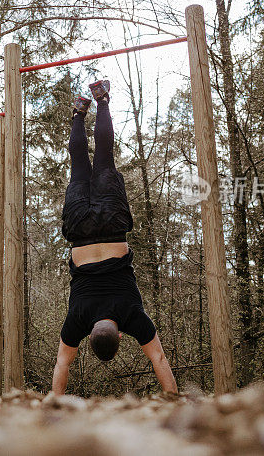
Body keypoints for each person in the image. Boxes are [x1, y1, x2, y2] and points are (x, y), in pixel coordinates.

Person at [51, 79, 177, 395]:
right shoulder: (77, 322)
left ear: (119, 336)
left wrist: (174, 399)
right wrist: (51, 403)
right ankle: (79, 113)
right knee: (78, 166)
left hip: (111, 223)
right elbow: (62, 364)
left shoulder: (132, 315)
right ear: (90, 335)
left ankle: (102, 100)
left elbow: (159, 358)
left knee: (104, 155)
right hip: (79, 229)